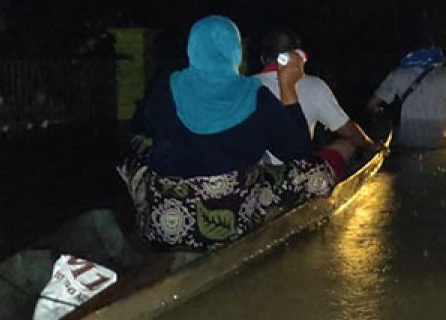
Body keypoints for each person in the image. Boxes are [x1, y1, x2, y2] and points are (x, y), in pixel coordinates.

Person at [118, 15, 355, 252]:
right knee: (314, 172)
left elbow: (141, 127)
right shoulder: (255, 95)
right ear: (236, 52)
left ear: (193, 49)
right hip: (233, 223)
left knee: (139, 148)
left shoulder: (165, 86)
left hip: (166, 224)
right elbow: (299, 151)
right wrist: (287, 87)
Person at [252, 27, 381, 162]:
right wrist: (370, 145)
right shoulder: (315, 85)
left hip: (256, 172)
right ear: (299, 56)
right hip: (297, 171)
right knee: (347, 145)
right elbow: (348, 131)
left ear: (263, 59)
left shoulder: (245, 86)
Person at [366, 40, 446, 149]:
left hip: (407, 145)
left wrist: (381, 114)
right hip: (437, 145)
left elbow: (371, 105)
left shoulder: (398, 74)